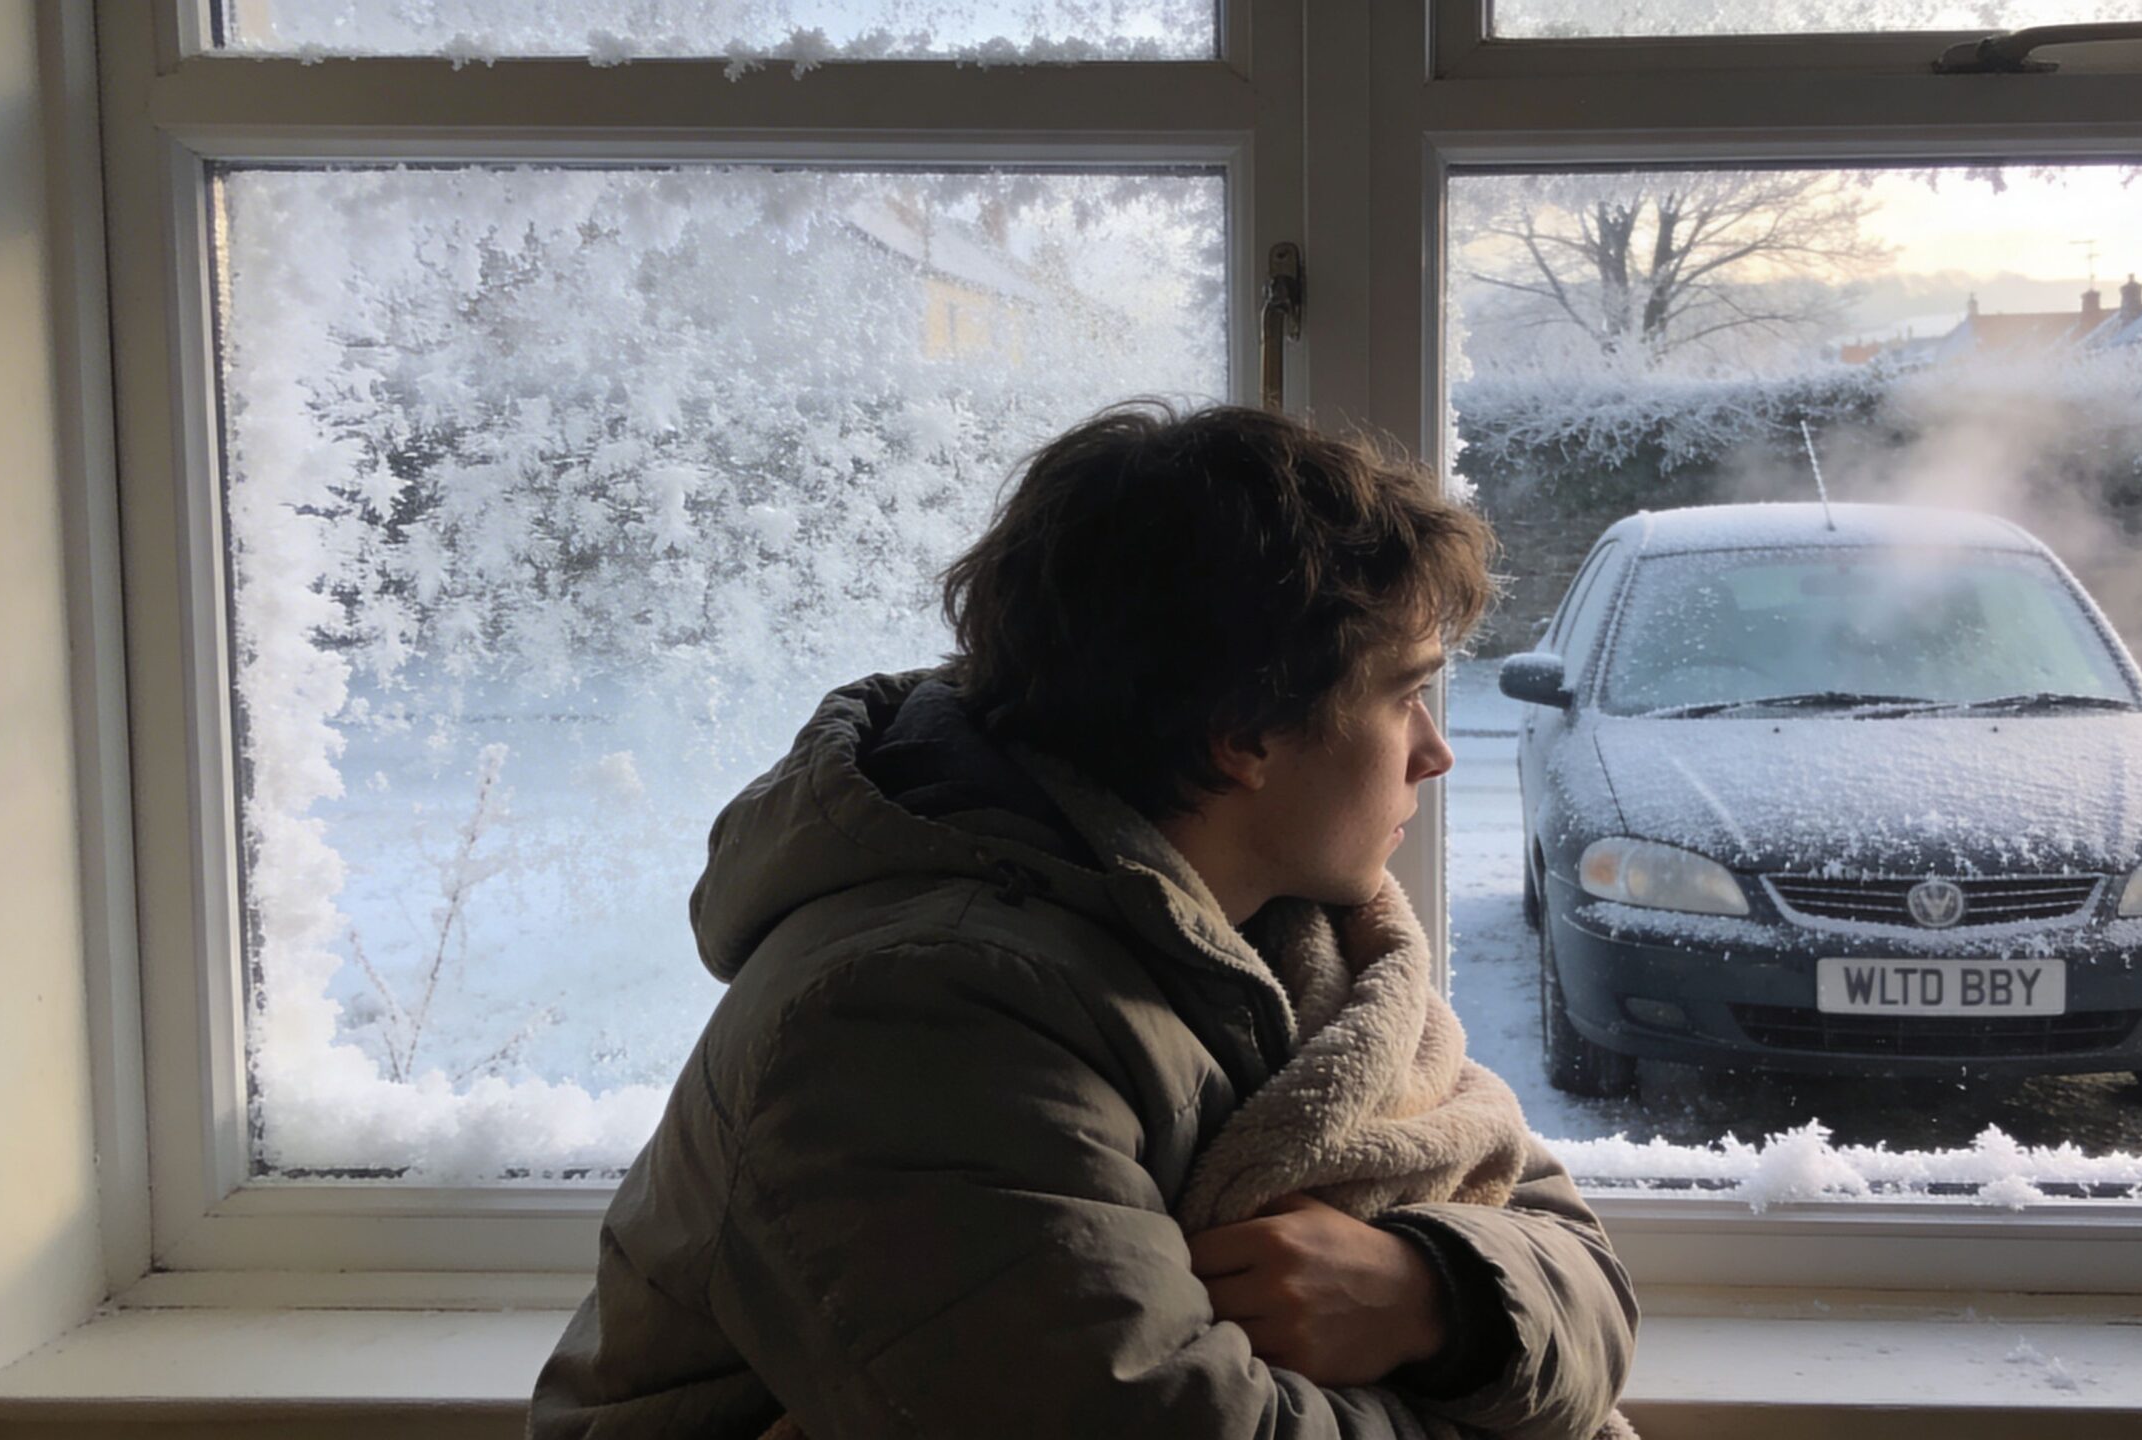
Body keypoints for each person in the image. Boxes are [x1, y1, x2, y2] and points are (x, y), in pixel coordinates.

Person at [528, 402, 1639, 1437]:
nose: (1435, 754)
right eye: (1405, 695)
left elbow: (1570, 1252)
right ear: (1243, 733)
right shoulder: (911, 1022)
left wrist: (1432, 1296)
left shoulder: (1285, 937)